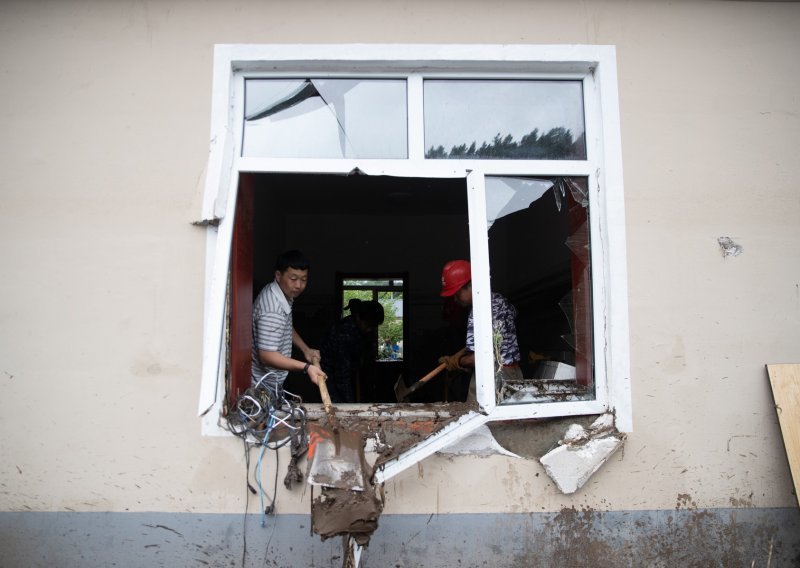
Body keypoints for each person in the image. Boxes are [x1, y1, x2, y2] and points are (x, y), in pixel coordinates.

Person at [437, 259, 522, 403]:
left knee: (478, 421)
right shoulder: (499, 300)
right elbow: (501, 331)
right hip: (512, 373)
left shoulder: (479, 312)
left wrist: (457, 361)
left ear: (471, 285)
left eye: (457, 294)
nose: (456, 300)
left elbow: (480, 358)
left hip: (494, 379)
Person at [251, 250, 326, 401]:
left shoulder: (281, 293)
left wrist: (305, 349)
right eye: (293, 279)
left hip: (272, 382)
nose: (299, 285)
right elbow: (266, 356)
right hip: (262, 386)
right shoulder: (272, 309)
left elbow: (284, 325)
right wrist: (307, 367)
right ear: (278, 276)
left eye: (304, 279)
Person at [319, 299, 385, 403]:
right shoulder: (344, 333)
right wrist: (350, 404)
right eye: (368, 325)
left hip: (348, 374)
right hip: (329, 376)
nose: (370, 330)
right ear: (358, 317)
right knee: (339, 407)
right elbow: (342, 374)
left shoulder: (362, 330)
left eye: (373, 326)